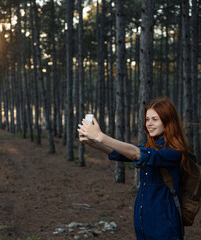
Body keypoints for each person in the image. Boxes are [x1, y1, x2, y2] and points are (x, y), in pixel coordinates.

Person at [77, 97, 189, 240]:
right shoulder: (151, 147)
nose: (149, 124)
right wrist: (93, 143)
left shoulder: (174, 151)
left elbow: (137, 154)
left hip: (165, 226)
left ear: (168, 121)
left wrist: (100, 136)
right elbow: (123, 154)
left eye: (155, 119)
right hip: (143, 224)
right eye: (147, 119)